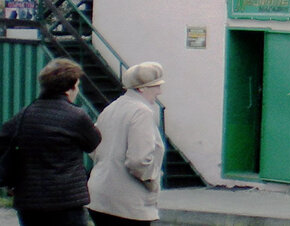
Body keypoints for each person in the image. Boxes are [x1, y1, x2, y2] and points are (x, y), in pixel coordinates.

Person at [0, 57, 101, 226]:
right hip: (66, 200)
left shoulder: (25, 114)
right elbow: (93, 143)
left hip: (30, 200)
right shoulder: (76, 116)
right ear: (71, 87)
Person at [88, 61, 167, 225]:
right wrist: (152, 181)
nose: (159, 91)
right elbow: (138, 160)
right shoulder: (142, 112)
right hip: (127, 203)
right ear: (141, 88)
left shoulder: (111, 108)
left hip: (99, 197)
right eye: (156, 86)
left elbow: (93, 147)